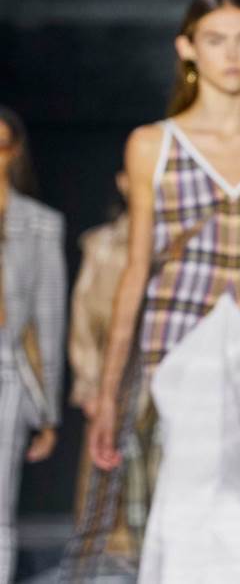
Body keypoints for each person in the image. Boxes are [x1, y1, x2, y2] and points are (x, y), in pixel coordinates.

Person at [75, 0, 240, 582]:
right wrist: (108, 396)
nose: (232, 54)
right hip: (181, 339)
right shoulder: (153, 144)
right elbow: (135, 271)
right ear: (187, 48)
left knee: (232, 489)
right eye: (216, 40)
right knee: (210, 494)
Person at [0, 106, 66, 584]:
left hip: (8, 371)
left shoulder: (39, 224)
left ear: (15, 151)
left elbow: (48, 319)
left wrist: (48, 412)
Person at [68, 170, 147, 553]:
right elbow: (83, 317)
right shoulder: (101, 244)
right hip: (109, 367)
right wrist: (87, 383)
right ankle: (104, 546)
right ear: (122, 182)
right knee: (106, 454)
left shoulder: (178, 244)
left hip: (161, 365)